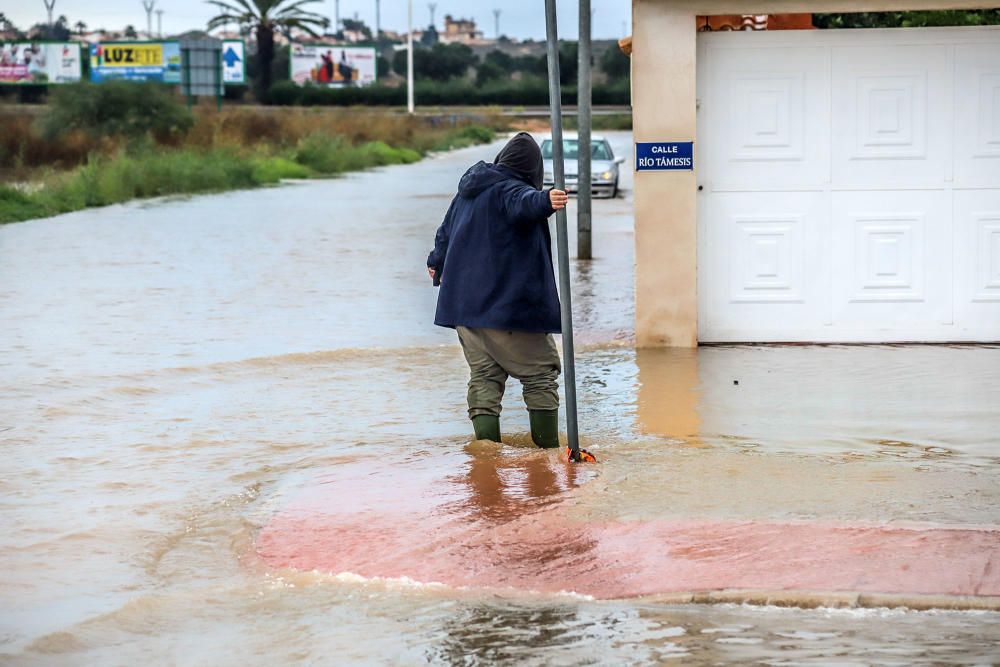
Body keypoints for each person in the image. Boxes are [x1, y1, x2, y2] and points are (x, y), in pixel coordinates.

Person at [427, 132, 569, 447]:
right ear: (533, 170)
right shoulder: (510, 190)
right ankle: (547, 457)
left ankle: (485, 457)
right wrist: (546, 200)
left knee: (485, 379)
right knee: (541, 375)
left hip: (463, 311)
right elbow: (523, 203)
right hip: (506, 310)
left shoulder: (467, 192)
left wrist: (435, 261)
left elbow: (444, 233)